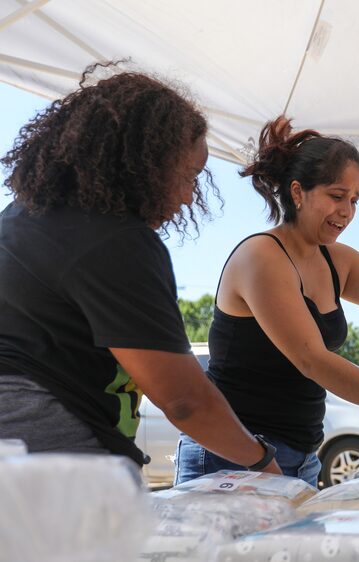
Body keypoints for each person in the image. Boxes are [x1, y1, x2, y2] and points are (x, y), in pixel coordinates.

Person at [0, 63, 280, 476]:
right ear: (141, 162)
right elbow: (185, 400)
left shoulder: (20, 220)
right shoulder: (114, 240)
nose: (189, 197)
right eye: (189, 176)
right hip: (54, 470)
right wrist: (266, 466)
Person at [174, 116, 359, 487]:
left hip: (302, 457)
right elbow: (312, 360)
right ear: (297, 192)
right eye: (336, 196)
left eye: (354, 199)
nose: (347, 211)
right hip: (232, 455)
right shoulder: (262, 257)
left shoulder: (338, 261)